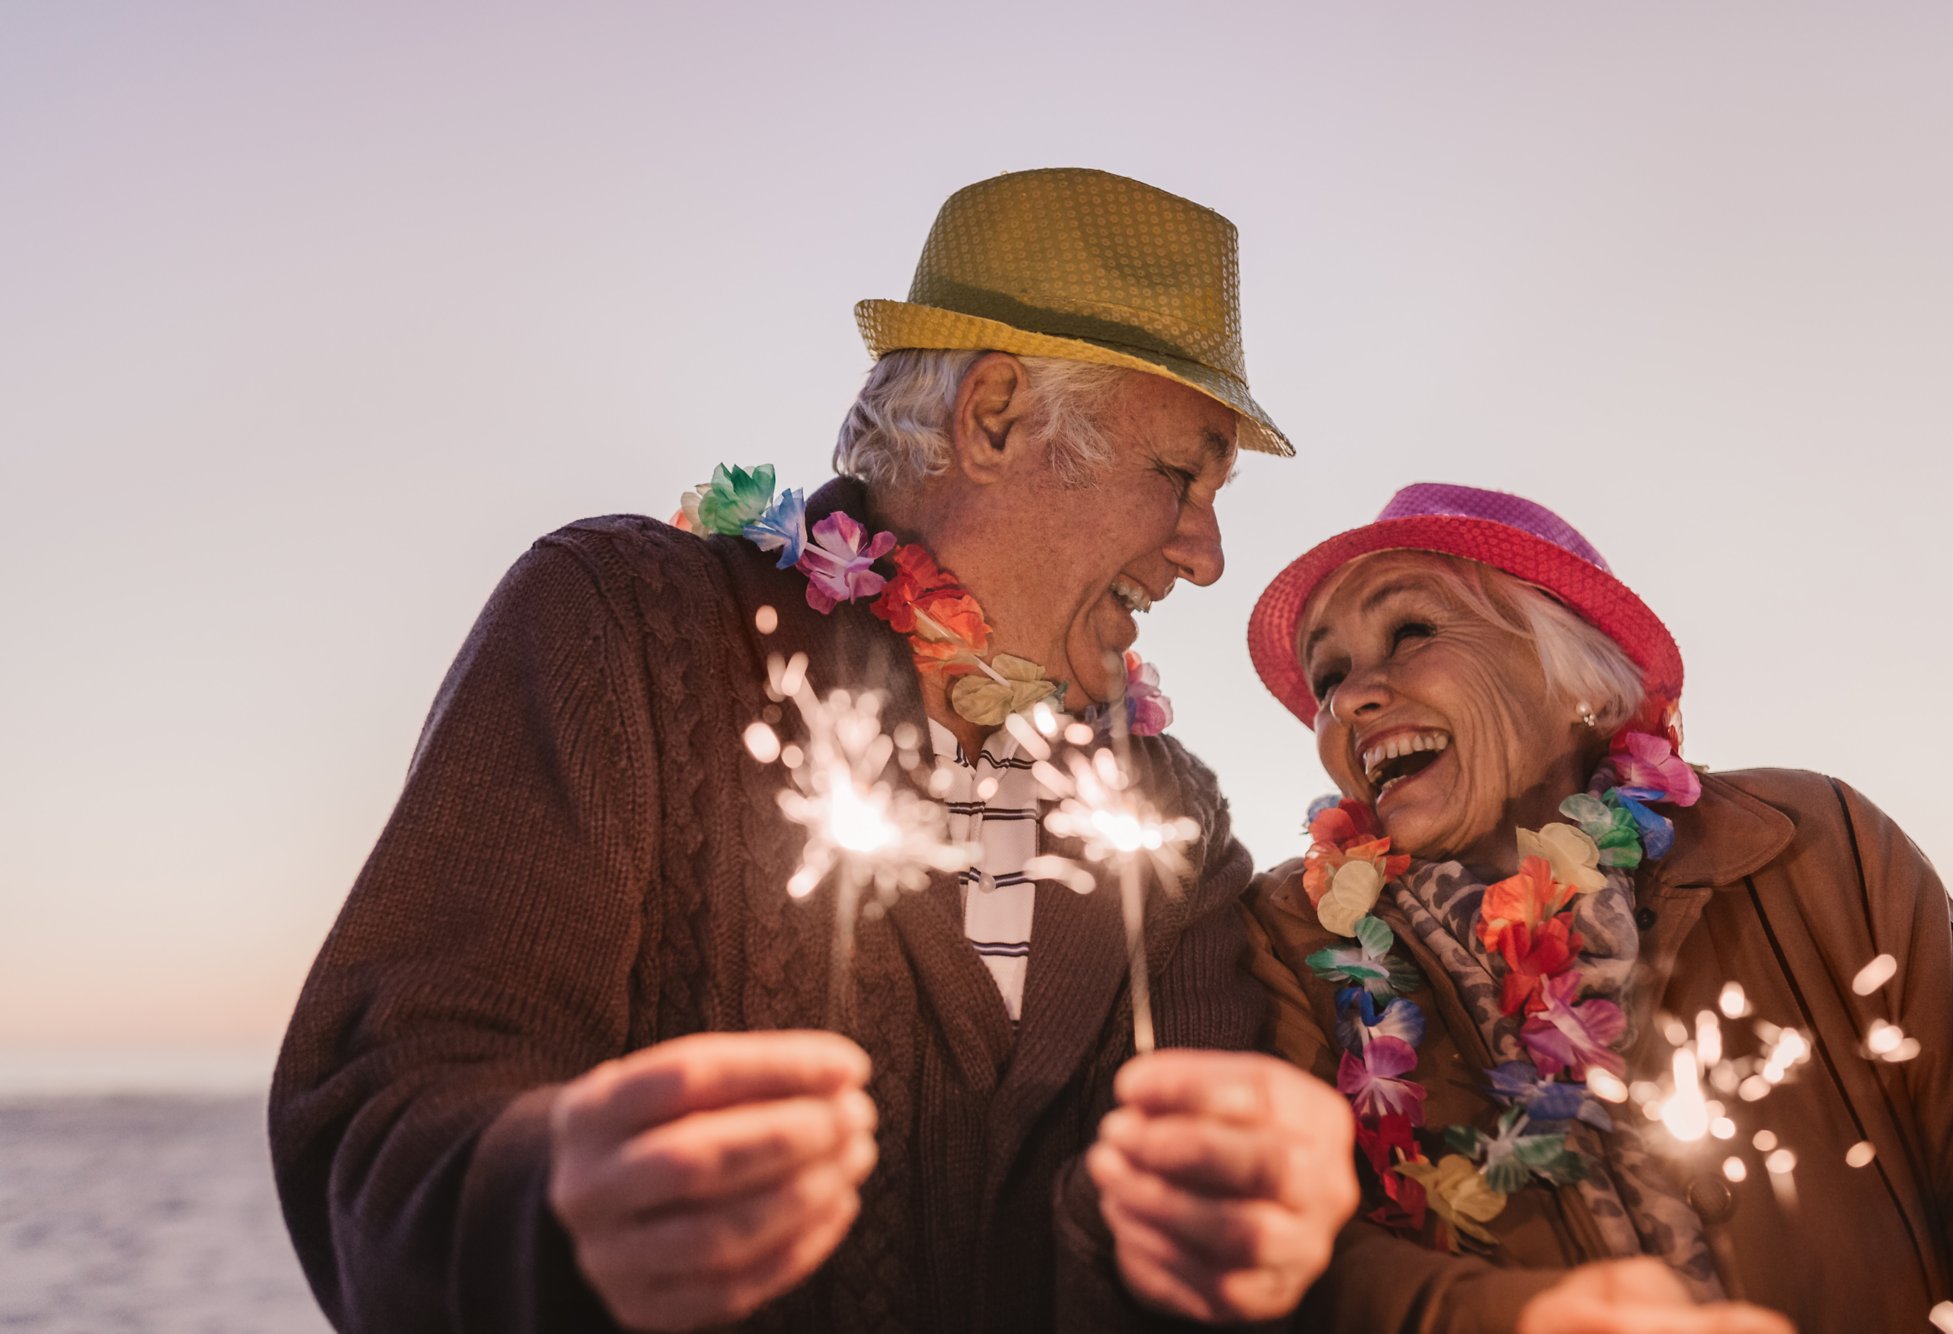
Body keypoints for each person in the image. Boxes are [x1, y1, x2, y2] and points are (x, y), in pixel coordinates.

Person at [270, 168, 1355, 1334]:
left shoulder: (1168, 814)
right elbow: (382, 1101)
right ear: (991, 417)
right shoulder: (621, 624)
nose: (1206, 555)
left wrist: (1255, 1235)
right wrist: (549, 1203)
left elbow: (1194, 1241)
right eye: (1182, 476)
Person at [1242, 482, 1953, 1332]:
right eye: (1328, 676)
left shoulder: (1814, 841)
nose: (1348, 699)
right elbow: (1295, 1256)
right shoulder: (1289, 935)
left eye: (1411, 631)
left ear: (1585, 684)